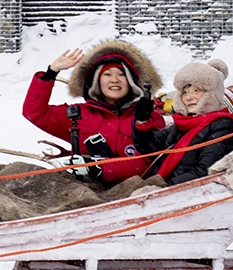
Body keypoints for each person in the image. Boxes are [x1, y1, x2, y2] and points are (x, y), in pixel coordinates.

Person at [23, 40, 166, 186]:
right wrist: (51, 73)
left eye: (122, 74)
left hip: (137, 193)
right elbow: (34, 112)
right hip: (85, 191)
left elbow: (151, 161)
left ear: (131, 81)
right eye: (107, 74)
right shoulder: (77, 114)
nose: (115, 80)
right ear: (96, 81)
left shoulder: (150, 117)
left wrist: (100, 168)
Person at [135, 59, 233, 185]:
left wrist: (163, 187)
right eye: (185, 92)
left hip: (186, 194)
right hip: (166, 185)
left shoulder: (224, 126)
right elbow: (150, 147)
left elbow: (206, 172)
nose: (188, 97)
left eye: (196, 91)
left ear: (212, 93)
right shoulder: (184, 124)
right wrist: (142, 122)